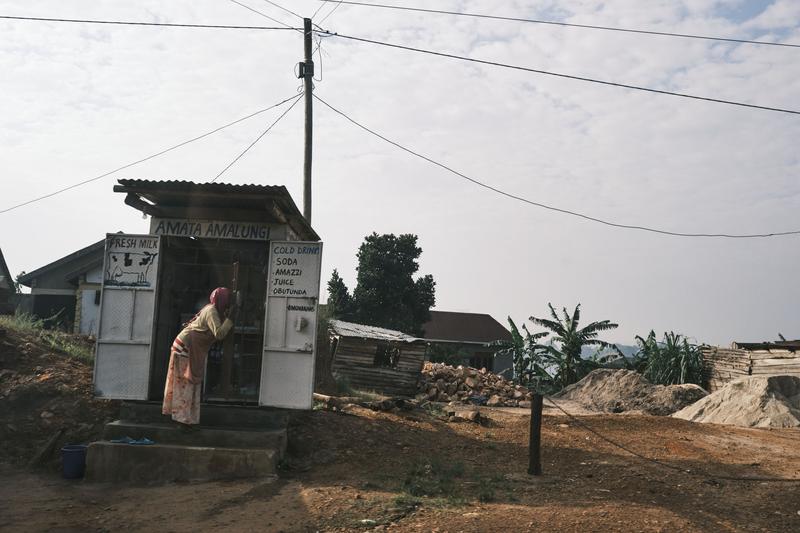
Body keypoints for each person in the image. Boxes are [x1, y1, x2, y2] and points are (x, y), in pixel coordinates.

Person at [162, 287, 235, 426]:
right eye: (228, 301)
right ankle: (182, 421)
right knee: (186, 384)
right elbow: (219, 334)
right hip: (184, 348)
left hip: (187, 346)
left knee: (190, 384)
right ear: (222, 300)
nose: (229, 304)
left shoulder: (214, 310)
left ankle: (187, 419)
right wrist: (230, 319)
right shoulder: (212, 311)